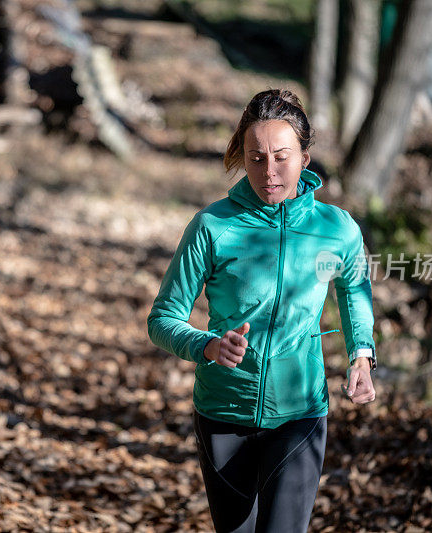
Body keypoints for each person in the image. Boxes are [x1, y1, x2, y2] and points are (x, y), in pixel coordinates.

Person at [146, 88, 377, 533]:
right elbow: (163, 317)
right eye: (255, 158)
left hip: (300, 414)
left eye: (281, 156)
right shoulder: (213, 227)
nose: (268, 171)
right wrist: (208, 345)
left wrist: (361, 356)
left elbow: (354, 291)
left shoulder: (336, 228)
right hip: (222, 414)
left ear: (305, 158)